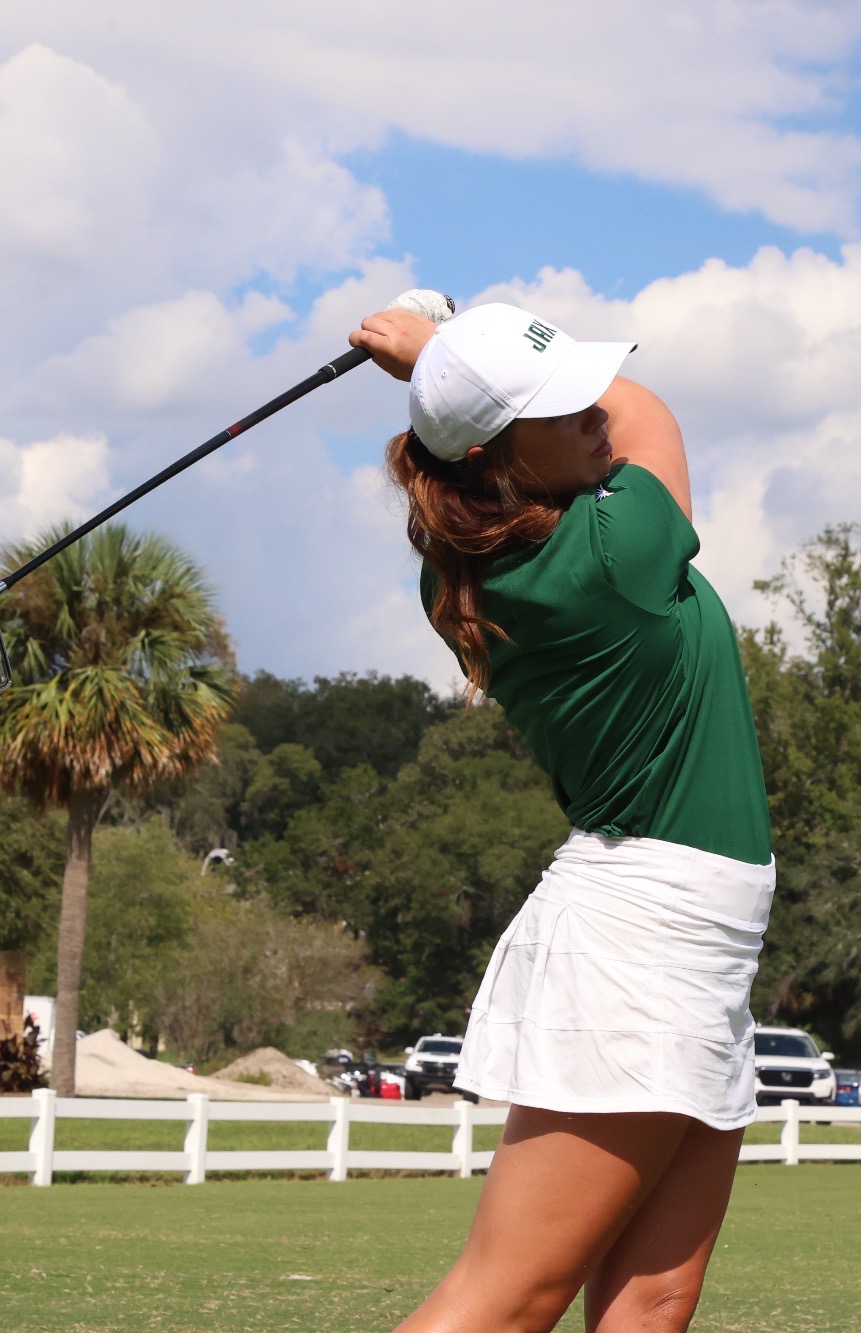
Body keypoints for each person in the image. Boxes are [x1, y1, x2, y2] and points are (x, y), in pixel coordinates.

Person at [349, 300, 775, 1333]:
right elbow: (647, 413)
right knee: (506, 1299)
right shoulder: (609, 548)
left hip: (683, 939)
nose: (588, 407)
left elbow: (582, 420)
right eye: (557, 403)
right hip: (644, 937)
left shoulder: (455, 575)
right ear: (495, 455)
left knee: (653, 1301)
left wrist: (448, 367)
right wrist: (434, 348)